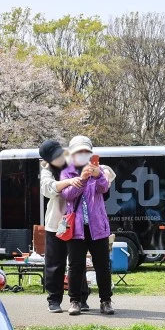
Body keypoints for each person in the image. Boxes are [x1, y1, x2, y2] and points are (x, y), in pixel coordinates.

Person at [58, 135, 115, 316]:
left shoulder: (99, 170)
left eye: (86, 152)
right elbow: (68, 195)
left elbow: (104, 189)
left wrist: (98, 176)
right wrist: (82, 179)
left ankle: (106, 301)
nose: (83, 155)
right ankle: (75, 301)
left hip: (97, 227)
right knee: (75, 266)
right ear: (73, 154)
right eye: (79, 152)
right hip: (76, 228)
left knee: (102, 265)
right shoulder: (67, 172)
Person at [38, 139, 75, 314]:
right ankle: (53, 299)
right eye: (55, 157)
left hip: (78, 222)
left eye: (60, 153)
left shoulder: (75, 163)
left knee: (77, 262)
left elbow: (106, 173)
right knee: (54, 263)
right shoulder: (47, 172)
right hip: (56, 223)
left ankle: (80, 297)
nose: (59, 158)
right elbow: (48, 189)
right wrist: (70, 182)